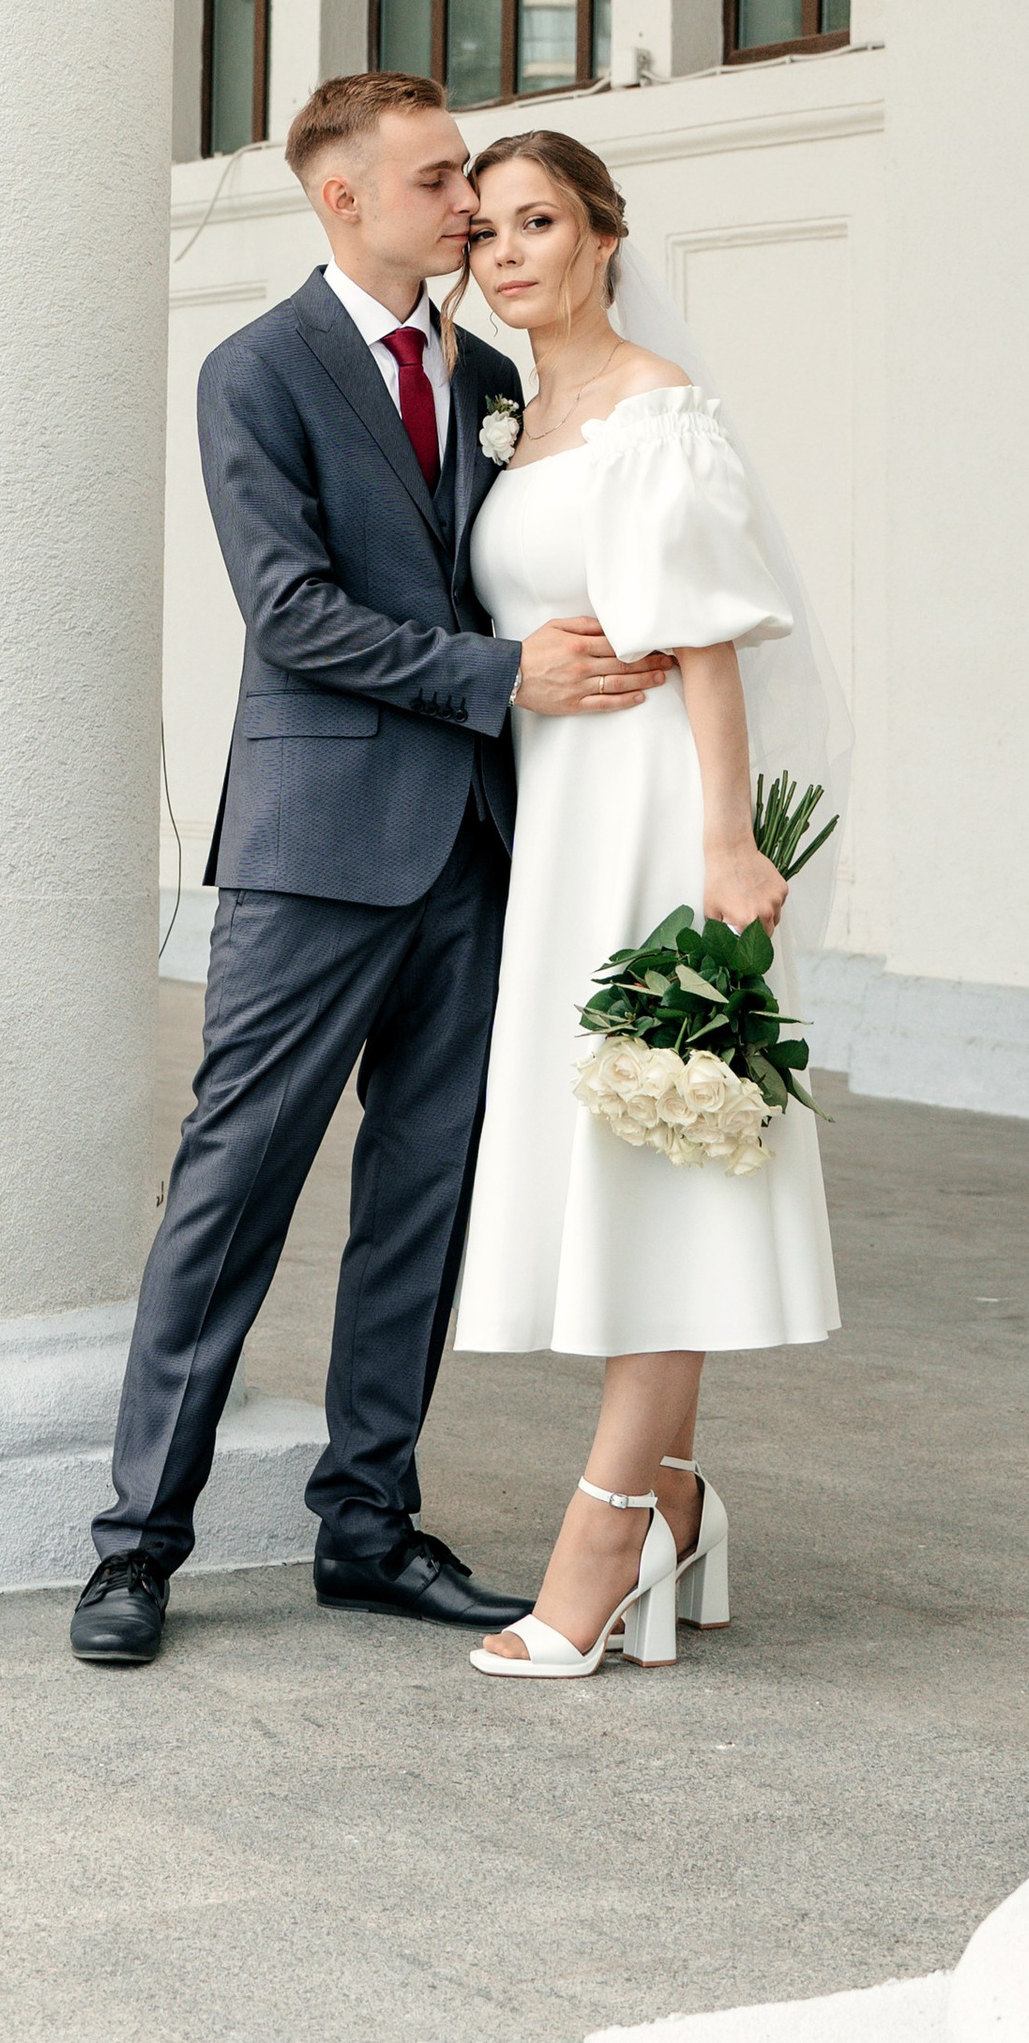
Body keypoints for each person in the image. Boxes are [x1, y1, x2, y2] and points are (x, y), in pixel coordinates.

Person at [70, 71, 671, 1667]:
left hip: (476, 853)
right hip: (316, 851)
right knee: (233, 1190)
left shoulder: (490, 375)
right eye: (435, 177)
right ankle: (137, 1545)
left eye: (467, 171)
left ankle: (369, 1526)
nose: (467, 201)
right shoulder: (253, 371)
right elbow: (294, 611)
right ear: (342, 199)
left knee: (423, 1201)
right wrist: (502, 679)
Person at [448, 131, 841, 1681]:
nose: (508, 253)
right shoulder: (525, 420)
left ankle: (608, 1538)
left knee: (658, 1154)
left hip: (653, 819)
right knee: (625, 1156)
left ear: (606, 235)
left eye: (539, 221)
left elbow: (707, 641)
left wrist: (729, 845)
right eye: (484, 231)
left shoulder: (655, 407)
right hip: (562, 817)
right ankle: (675, 1500)